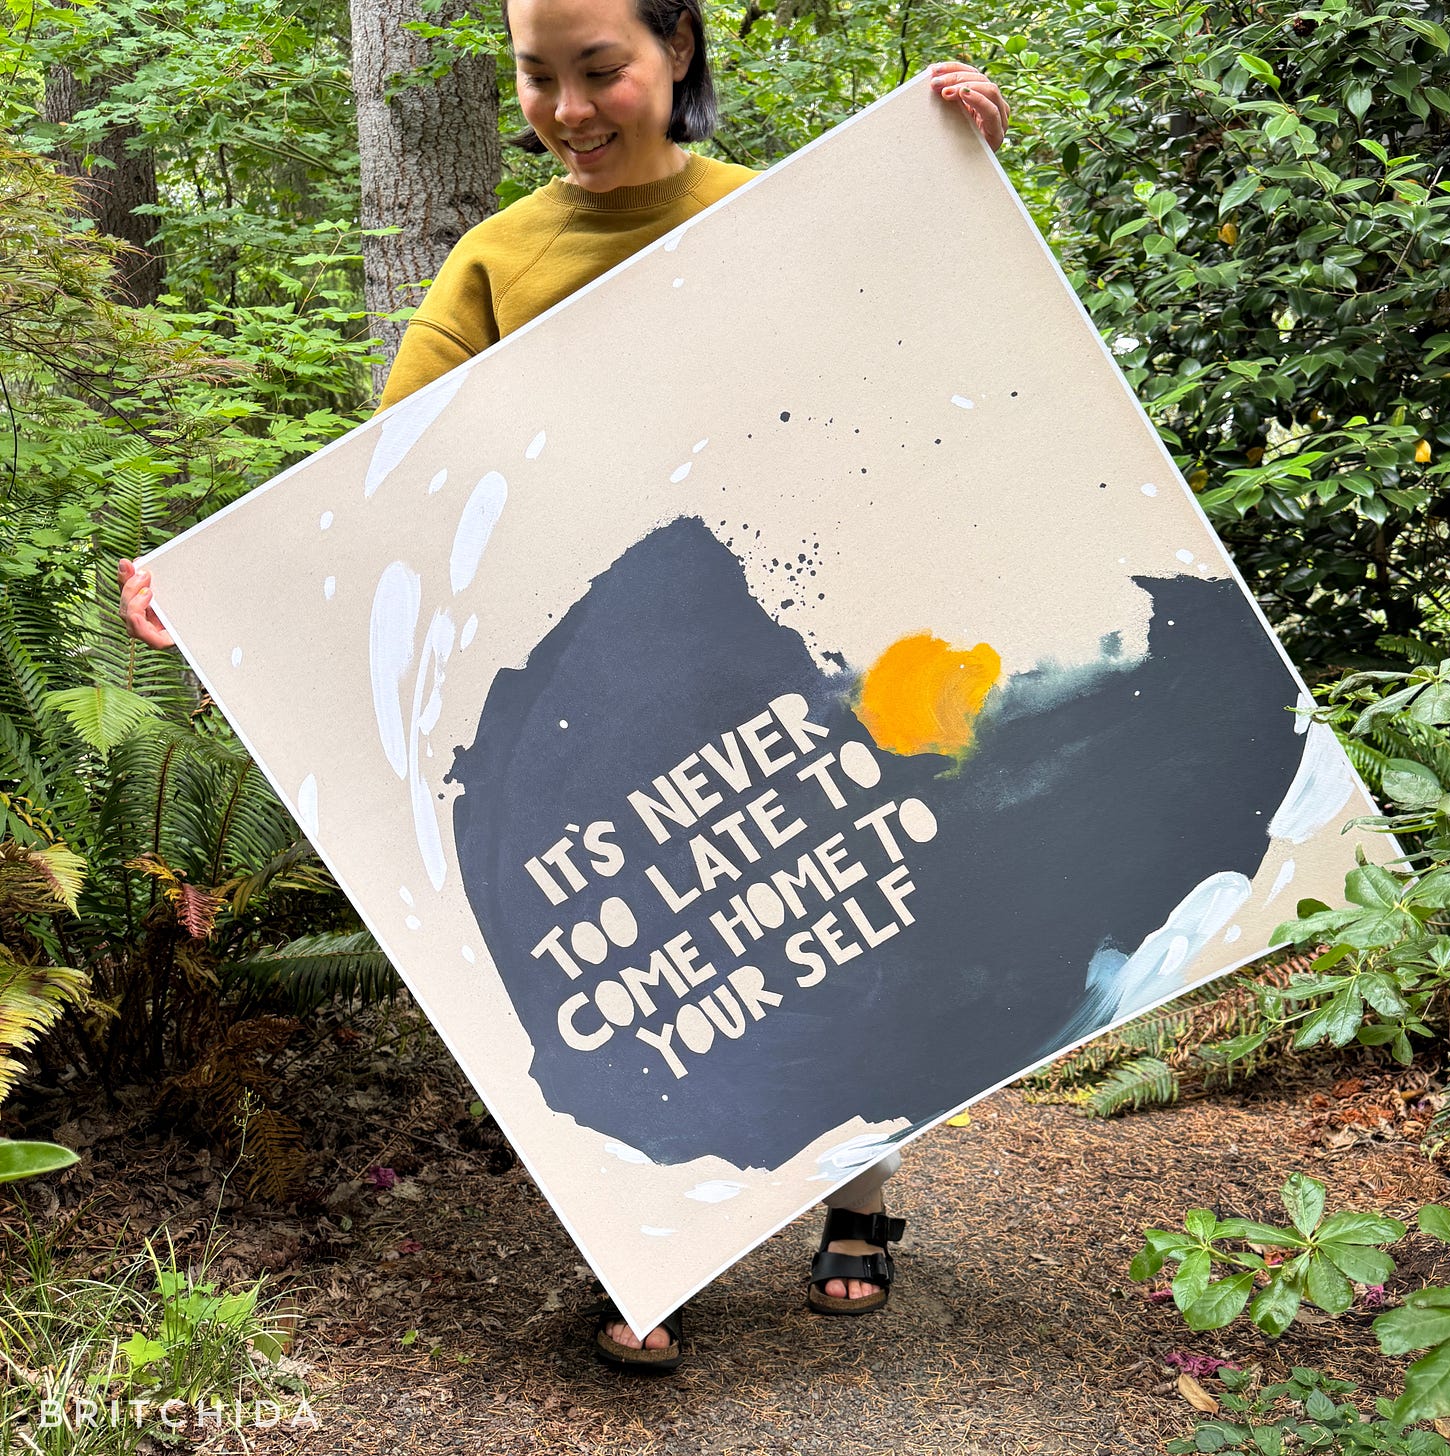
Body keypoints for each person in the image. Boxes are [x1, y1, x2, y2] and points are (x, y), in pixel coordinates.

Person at [120, 0, 1009, 1373]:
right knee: (660, 942)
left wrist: (950, 165)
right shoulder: (498, 258)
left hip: (793, 637)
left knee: (828, 909)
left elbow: (919, 351)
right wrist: (215, 579)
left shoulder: (777, 210)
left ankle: (859, 1195)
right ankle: (656, 1240)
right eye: (539, 78)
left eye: (602, 71)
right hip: (602, 671)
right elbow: (388, 480)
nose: (569, 110)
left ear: (677, 54)